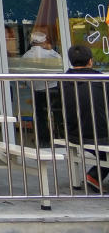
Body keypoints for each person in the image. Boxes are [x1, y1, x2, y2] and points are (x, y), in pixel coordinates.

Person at [62, 44, 108, 190]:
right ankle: (94, 176)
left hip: (73, 133)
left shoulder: (62, 81)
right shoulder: (102, 80)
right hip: (101, 134)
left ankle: (94, 176)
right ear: (90, 61)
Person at [22, 31, 62, 144]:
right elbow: (61, 63)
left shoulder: (26, 56)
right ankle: (60, 137)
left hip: (37, 90)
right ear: (44, 41)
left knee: (40, 115)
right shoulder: (51, 54)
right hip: (53, 87)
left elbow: (23, 74)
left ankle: (43, 139)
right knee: (58, 113)